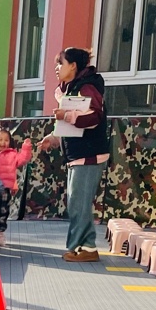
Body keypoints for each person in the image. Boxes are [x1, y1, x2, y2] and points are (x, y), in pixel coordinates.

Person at [37, 47, 109, 262]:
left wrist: (66, 115)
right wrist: (53, 138)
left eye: (61, 63)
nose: (57, 68)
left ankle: (85, 248)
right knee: (77, 203)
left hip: (89, 154)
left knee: (79, 203)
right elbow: (72, 125)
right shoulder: (73, 88)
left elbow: (93, 117)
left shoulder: (87, 87)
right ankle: (83, 247)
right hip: (78, 155)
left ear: (73, 66)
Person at [0, 127, 33, 246]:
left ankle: (0, 233)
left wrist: (26, 148)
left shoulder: (12, 154)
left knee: (2, 211)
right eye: (0, 139)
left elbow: (23, 159)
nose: (3, 142)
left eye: (6, 140)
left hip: (4, 188)